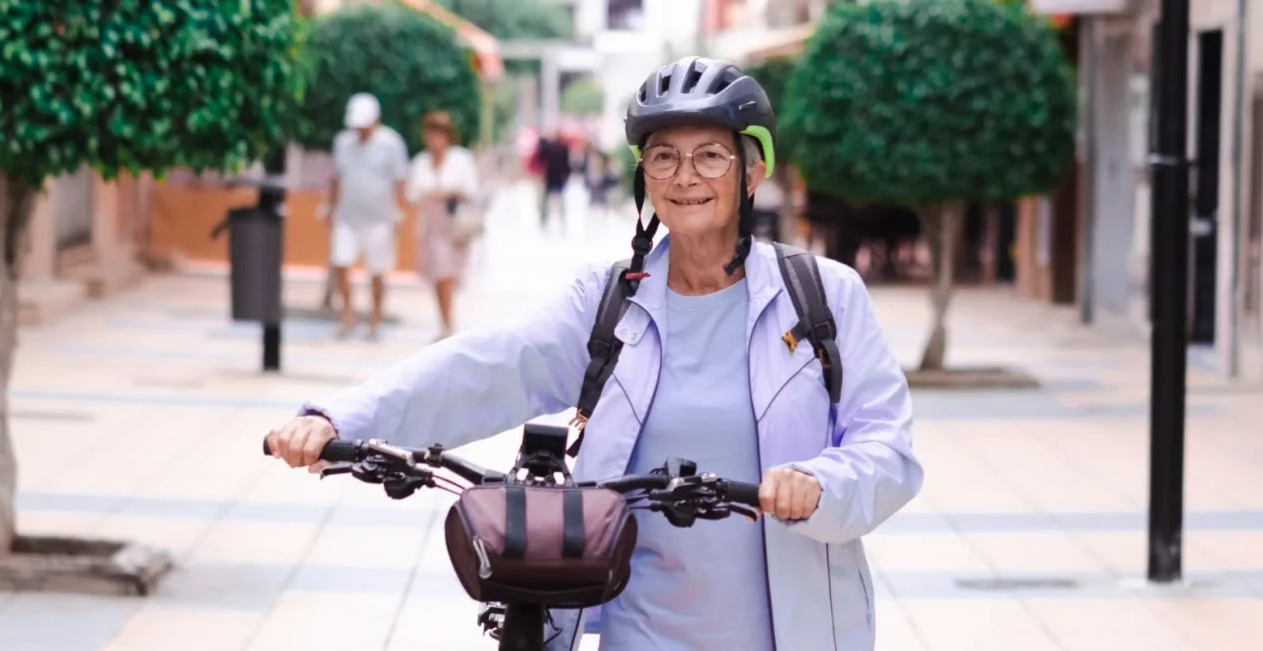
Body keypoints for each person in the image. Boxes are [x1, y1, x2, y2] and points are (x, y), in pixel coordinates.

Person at [265, 56, 920, 651]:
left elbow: (889, 450)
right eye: (664, 156)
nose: (685, 177)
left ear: (754, 170)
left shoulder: (824, 297)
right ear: (643, 175)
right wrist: (340, 417)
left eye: (711, 157)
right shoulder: (609, 304)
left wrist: (821, 485)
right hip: (640, 633)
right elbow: (485, 366)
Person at [321, 92, 412, 340]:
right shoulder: (342, 142)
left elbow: (400, 180)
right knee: (341, 263)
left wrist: (398, 213)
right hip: (347, 217)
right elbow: (336, 178)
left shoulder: (391, 143)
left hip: (379, 219)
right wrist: (330, 209)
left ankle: (375, 320)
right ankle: (348, 316)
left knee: (377, 271)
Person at [407, 111, 481, 341]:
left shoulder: (460, 159)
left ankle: (448, 323)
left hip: (453, 223)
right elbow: (412, 194)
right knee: (437, 276)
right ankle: (445, 321)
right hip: (431, 225)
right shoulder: (421, 162)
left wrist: (443, 192)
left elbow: (470, 188)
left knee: (447, 274)